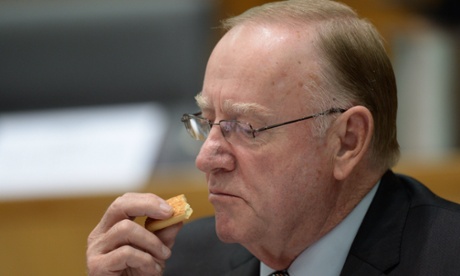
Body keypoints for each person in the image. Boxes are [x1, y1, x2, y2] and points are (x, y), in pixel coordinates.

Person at [86, 0, 460, 275]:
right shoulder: (177, 260)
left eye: (247, 127)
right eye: (209, 120)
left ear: (347, 140)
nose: (206, 159)